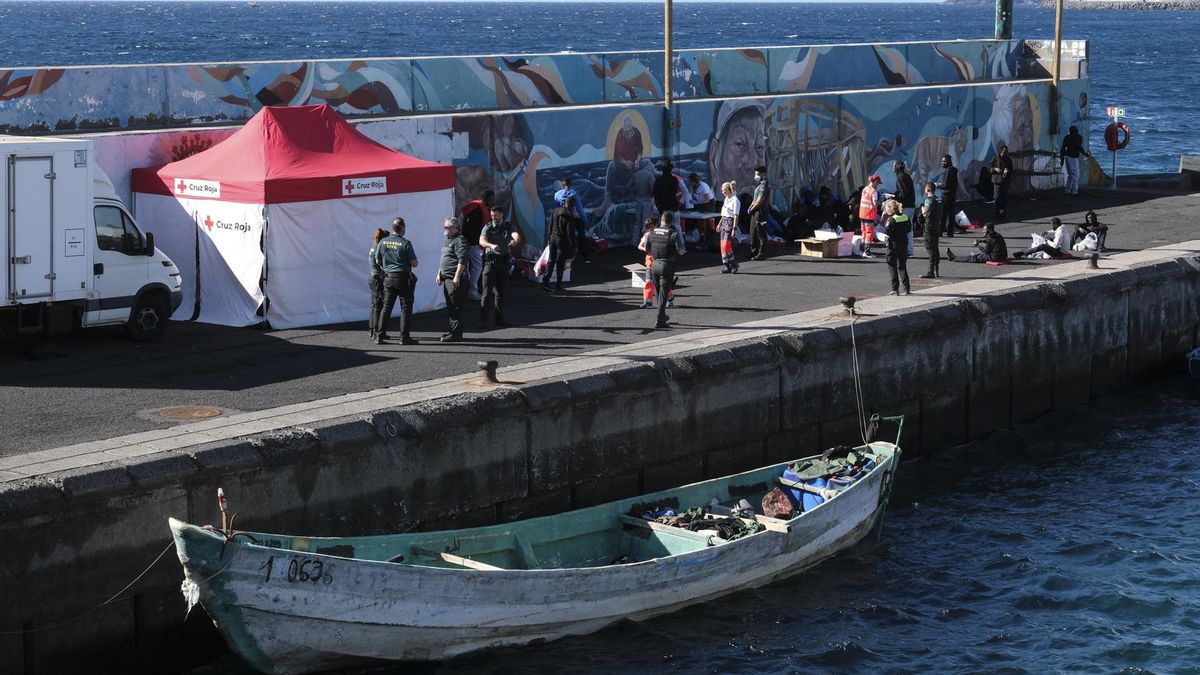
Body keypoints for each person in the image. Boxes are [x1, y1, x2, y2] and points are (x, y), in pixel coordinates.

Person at [373, 218, 419, 346]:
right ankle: (404, 337)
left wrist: (387, 268)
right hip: (403, 278)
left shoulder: (383, 241)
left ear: (393, 228)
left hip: (388, 278)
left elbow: (377, 261)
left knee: (386, 308)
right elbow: (415, 263)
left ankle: (379, 336)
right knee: (405, 308)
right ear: (403, 229)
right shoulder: (406, 243)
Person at [638, 212, 685, 329]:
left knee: (658, 293)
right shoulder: (673, 233)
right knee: (664, 294)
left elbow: (647, 248)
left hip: (653, 265)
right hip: (666, 265)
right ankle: (660, 320)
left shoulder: (651, 232)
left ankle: (662, 316)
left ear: (661, 221)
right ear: (671, 222)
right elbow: (681, 251)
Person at [479, 206, 522, 328]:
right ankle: (483, 320)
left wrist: (515, 241)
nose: (494, 218)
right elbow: (481, 241)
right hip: (490, 263)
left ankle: (500, 318)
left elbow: (516, 235)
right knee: (486, 293)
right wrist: (491, 245)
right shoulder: (488, 227)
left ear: (502, 215)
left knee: (501, 292)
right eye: (492, 216)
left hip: (503, 263)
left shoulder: (508, 226)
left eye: (496, 215)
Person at [435, 217, 468, 342]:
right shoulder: (448, 241)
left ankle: (456, 334)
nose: (445, 229)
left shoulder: (460, 241)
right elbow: (444, 258)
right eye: (444, 227)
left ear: (455, 228)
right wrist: (439, 273)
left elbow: (462, 260)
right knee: (451, 306)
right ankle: (453, 331)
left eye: (447, 227)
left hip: (454, 279)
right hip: (446, 278)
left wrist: (457, 276)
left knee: (455, 307)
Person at [460, 190, 494, 300]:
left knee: (469, 267)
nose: (493, 202)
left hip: (469, 242)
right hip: (473, 243)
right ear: (486, 198)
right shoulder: (479, 210)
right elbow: (471, 227)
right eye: (491, 199)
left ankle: (471, 289)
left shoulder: (476, 207)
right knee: (477, 267)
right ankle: (472, 291)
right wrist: (470, 240)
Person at [542, 195, 578, 292]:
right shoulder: (569, 215)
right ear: (572, 205)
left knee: (551, 261)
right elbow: (570, 232)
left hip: (553, 238)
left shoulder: (555, 211)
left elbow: (550, 225)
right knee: (560, 263)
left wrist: (548, 238)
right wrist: (573, 246)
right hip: (562, 240)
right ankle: (558, 285)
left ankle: (545, 283)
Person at [554, 177, 590, 263]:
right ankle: (585, 257)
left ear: (562, 185)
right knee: (581, 236)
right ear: (570, 184)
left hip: (564, 218)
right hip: (576, 218)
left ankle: (567, 257)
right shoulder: (573, 194)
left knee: (566, 237)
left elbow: (556, 207)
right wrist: (586, 220)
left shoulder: (557, 195)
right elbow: (579, 209)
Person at [881, 199, 911, 295]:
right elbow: (909, 229)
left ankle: (895, 289)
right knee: (902, 266)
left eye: (886, 208)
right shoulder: (905, 217)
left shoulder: (891, 219)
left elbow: (887, 231)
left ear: (891, 209)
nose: (886, 210)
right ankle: (907, 288)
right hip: (903, 244)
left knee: (892, 266)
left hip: (893, 245)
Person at [916, 182, 941, 278]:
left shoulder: (928, 200)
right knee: (935, 247)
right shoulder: (938, 199)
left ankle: (931, 271)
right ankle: (936, 270)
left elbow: (926, 213)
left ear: (927, 190)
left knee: (930, 248)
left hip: (929, 226)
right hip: (936, 225)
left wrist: (922, 208)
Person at [367, 227, 387, 340]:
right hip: (378, 279)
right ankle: (377, 331)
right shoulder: (379, 249)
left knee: (374, 305)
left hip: (373, 278)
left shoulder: (373, 248)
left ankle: (372, 329)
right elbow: (382, 264)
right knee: (379, 305)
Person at [892, 160, 916, 256]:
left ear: (897, 167)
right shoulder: (906, 176)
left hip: (905, 206)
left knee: (904, 228)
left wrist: (894, 197)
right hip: (910, 206)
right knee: (908, 228)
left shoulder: (900, 177)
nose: (892, 167)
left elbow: (904, 193)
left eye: (893, 165)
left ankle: (906, 250)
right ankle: (909, 250)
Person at [748, 165, 771, 261]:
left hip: (761, 211)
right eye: (755, 174)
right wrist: (750, 207)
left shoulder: (764, 185)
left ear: (763, 174)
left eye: (757, 174)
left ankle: (761, 254)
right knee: (753, 232)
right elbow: (755, 199)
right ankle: (753, 252)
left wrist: (752, 208)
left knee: (760, 233)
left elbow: (760, 200)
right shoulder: (759, 185)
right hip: (755, 211)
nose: (756, 176)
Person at [1060, 125, 1089, 197]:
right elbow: (1079, 147)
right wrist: (1085, 153)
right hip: (1074, 158)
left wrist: (1062, 159)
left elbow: (1063, 148)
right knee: (1076, 175)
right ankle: (1074, 191)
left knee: (1070, 174)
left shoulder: (1067, 137)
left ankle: (1068, 190)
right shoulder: (1078, 137)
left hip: (1067, 157)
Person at [718, 181, 740, 274]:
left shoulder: (735, 200)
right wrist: (719, 224)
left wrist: (734, 229)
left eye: (723, 189)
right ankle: (727, 265)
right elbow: (724, 214)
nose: (722, 191)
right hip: (724, 221)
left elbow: (736, 216)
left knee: (726, 245)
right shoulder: (726, 198)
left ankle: (734, 264)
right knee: (722, 246)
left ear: (727, 189)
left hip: (730, 222)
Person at [858, 175, 882, 257]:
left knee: (864, 232)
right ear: (875, 182)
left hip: (862, 213)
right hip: (869, 214)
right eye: (878, 183)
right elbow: (875, 205)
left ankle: (862, 250)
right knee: (869, 233)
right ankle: (867, 252)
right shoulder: (874, 192)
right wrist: (881, 200)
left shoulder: (865, 189)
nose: (878, 185)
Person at [936, 155, 958, 237]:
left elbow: (946, 185)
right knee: (950, 213)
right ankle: (950, 231)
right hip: (951, 194)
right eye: (942, 161)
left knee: (944, 214)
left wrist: (937, 185)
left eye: (944, 161)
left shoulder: (948, 171)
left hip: (946, 194)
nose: (942, 163)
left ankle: (941, 231)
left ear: (949, 161)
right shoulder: (952, 170)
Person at [990, 144, 1014, 219]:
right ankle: (997, 212)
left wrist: (1008, 170)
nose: (1005, 153)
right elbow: (990, 168)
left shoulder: (1009, 159)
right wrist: (995, 169)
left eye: (1006, 151)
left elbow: (1012, 170)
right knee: (997, 198)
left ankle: (1003, 213)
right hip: (997, 181)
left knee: (1005, 198)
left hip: (1005, 181)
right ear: (1000, 151)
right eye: (1004, 151)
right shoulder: (995, 158)